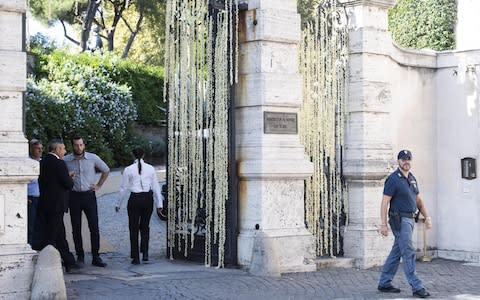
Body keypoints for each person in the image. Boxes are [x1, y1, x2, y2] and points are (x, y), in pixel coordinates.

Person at [378, 150, 432, 298]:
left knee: (397, 251)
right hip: (399, 220)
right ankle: (417, 287)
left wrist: (427, 217)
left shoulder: (412, 178)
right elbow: (384, 203)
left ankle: (384, 283)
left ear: (411, 161)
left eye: (408, 159)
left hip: (410, 219)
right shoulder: (393, 179)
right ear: (398, 161)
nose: (406, 161)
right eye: (403, 159)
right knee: (408, 251)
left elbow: (419, 201)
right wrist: (383, 224)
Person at [64, 136, 110, 267]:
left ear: (84, 145)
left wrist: (99, 185)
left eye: (81, 145)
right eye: (76, 145)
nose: (78, 148)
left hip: (89, 195)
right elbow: (59, 175)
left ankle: (96, 256)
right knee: (76, 228)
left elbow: (106, 170)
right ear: (72, 145)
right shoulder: (66, 160)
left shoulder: (92, 158)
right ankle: (80, 256)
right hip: (74, 196)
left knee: (94, 227)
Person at [37, 139, 80, 272]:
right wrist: (70, 178)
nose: (65, 151)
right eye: (63, 149)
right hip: (57, 204)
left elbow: (47, 180)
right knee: (51, 234)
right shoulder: (59, 163)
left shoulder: (42, 162)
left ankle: (69, 261)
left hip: (46, 202)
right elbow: (68, 184)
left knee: (60, 233)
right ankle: (43, 262)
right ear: (57, 149)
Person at [115, 147, 163, 264]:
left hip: (135, 199)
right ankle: (145, 253)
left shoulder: (128, 169)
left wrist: (118, 203)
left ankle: (135, 257)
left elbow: (123, 188)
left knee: (133, 228)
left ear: (133, 156)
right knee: (145, 226)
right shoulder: (151, 169)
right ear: (144, 155)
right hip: (147, 199)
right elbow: (156, 186)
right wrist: (159, 203)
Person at [27, 139, 42, 246]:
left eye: (41, 148)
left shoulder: (42, 162)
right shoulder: (26, 163)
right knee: (30, 224)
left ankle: (38, 245)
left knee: (40, 223)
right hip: (31, 198)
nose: (40, 151)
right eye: (37, 148)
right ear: (31, 149)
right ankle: (30, 246)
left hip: (42, 197)